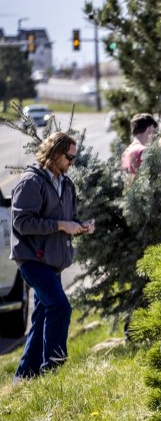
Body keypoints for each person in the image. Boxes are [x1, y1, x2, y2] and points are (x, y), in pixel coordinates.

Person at [11, 132, 96, 381]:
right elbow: (22, 222)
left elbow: (66, 221)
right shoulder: (31, 181)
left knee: (42, 315)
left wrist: (80, 226)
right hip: (32, 259)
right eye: (69, 157)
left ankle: (25, 376)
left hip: (53, 261)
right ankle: (54, 368)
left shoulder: (66, 184)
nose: (72, 162)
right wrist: (60, 225)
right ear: (55, 154)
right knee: (59, 306)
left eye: (74, 157)